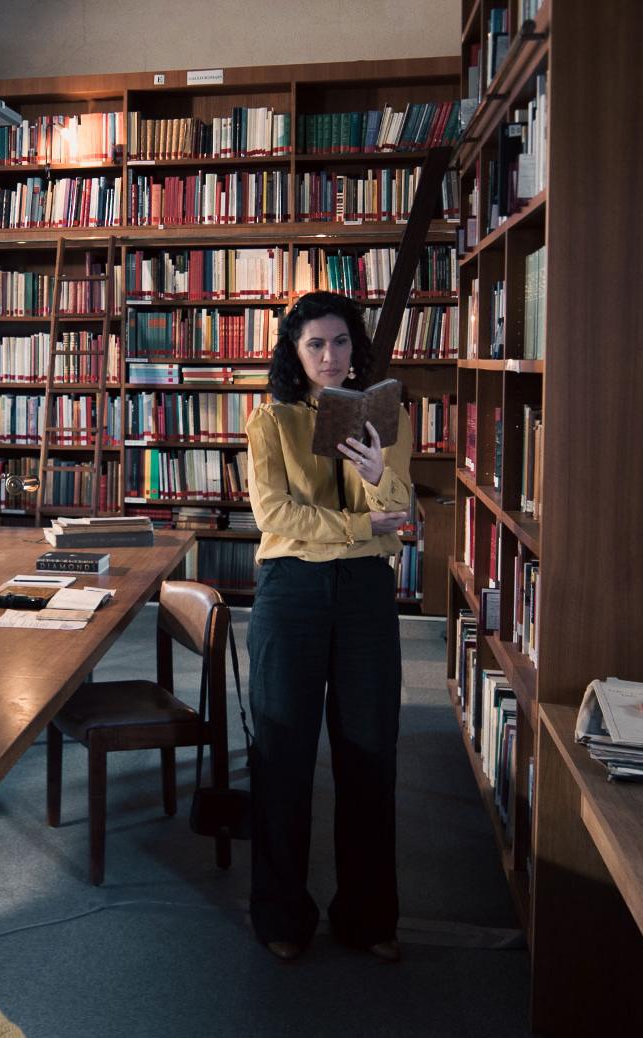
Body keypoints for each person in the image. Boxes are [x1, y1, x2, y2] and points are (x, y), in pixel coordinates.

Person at [244, 290, 413, 963]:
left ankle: (368, 917)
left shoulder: (383, 414)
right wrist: (357, 526)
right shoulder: (271, 421)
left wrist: (376, 479)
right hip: (292, 590)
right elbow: (274, 517)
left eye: (340, 342)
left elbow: (396, 513)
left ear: (355, 347)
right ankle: (282, 916)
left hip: (365, 592)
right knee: (282, 752)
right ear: (293, 350)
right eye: (314, 344)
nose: (329, 356)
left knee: (368, 752)